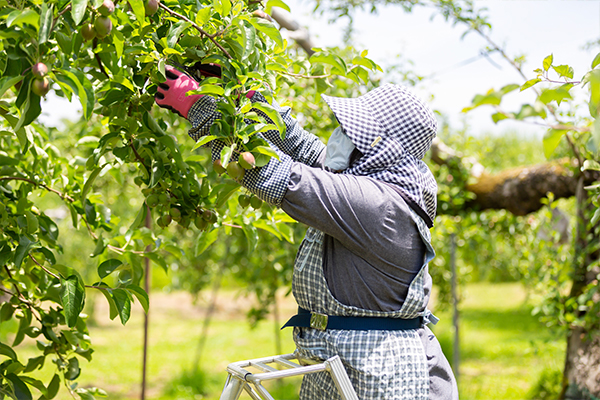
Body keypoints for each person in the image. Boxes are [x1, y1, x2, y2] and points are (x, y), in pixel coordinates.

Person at [155, 64, 459, 400]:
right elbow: (303, 148)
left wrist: (198, 105)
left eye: (353, 133)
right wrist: (250, 99)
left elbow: (275, 174)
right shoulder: (377, 182)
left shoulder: (378, 206)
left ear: (380, 148)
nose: (340, 134)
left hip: (382, 375)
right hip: (345, 364)